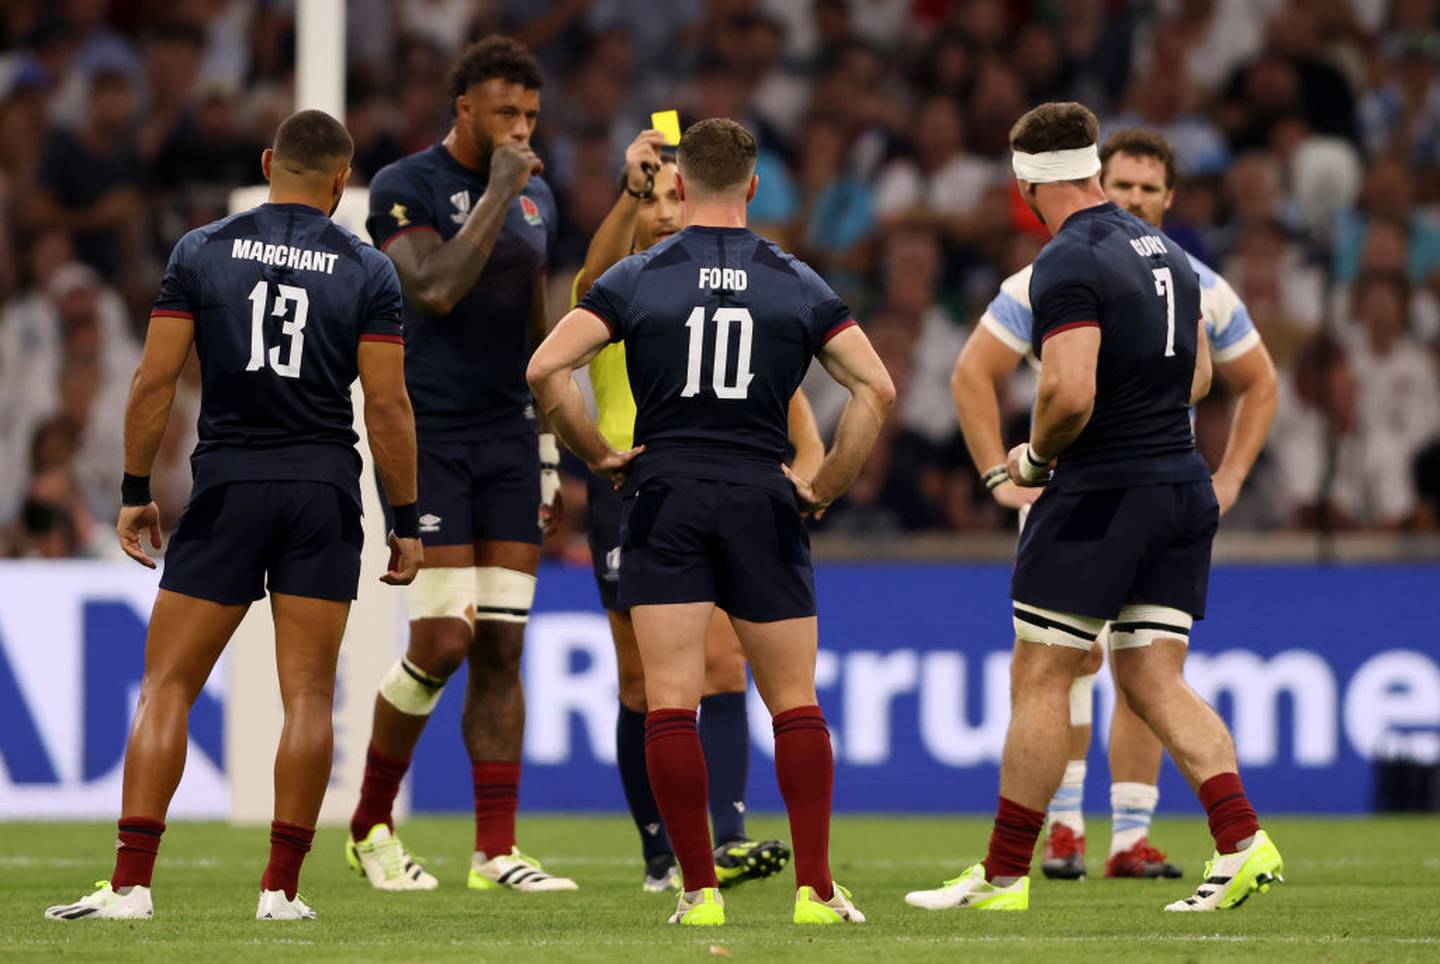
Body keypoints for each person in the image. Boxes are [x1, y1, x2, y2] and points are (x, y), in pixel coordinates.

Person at [43, 109, 422, 922]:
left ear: (265, 162)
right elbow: (388, 408)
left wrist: (135, 488)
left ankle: (131, 886)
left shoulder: (201, 250)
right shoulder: (368, 270)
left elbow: (152, 383)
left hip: (227, 485)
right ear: (339, 182)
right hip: (321, 488)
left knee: (169, 687)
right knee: (311, 697)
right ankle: (280, 892)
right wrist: (409, 519)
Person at [906, 102, 1283, 914]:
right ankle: (1244, 841)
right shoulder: (1175, 258)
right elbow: (1203, 381)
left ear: (1025, 182)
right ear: (1091, 168)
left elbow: (1068, 388)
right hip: (1179, 486)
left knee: (1042, 673)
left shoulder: (1066, 260)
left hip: (1103, 492)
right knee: (1151, 674)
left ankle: (1005, 876)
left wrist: (1034, 458)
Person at [528, 118, 894, 927]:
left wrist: (598, 453)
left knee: (669, 702)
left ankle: (697, 893)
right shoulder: (795, 280)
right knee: (793, 701)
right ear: (756, 188)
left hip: (662, 495)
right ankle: (817, 892)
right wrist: (825, 481)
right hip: (763, 495)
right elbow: (878, 389)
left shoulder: (638, 275)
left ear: (681, 185)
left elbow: (546, 366)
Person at [344, 36, 575, 894]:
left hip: (509, 439)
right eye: (506, 112)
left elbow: (535, 321)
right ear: (465, 109)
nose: (520, 129)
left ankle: (495, 852)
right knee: (444, 638)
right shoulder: (405, 188)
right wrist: (502, 191)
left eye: (531, 116)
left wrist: (549, 445)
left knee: (504, 650)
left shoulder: (538, 197)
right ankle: (370, 823)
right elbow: (433, 288)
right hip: (431, 435)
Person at [574, 128, 824, 892]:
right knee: (640, 684)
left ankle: (727, 838)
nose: (662, 217)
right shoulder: (632, 285)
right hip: (629, 488)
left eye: (667, 203)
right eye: (649, 210)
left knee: (722, 663)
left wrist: (809, 481)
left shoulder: (701, 291)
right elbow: (589, 280)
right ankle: (661, 852)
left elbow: (797, 417)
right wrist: (631, 191)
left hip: (698, 488)